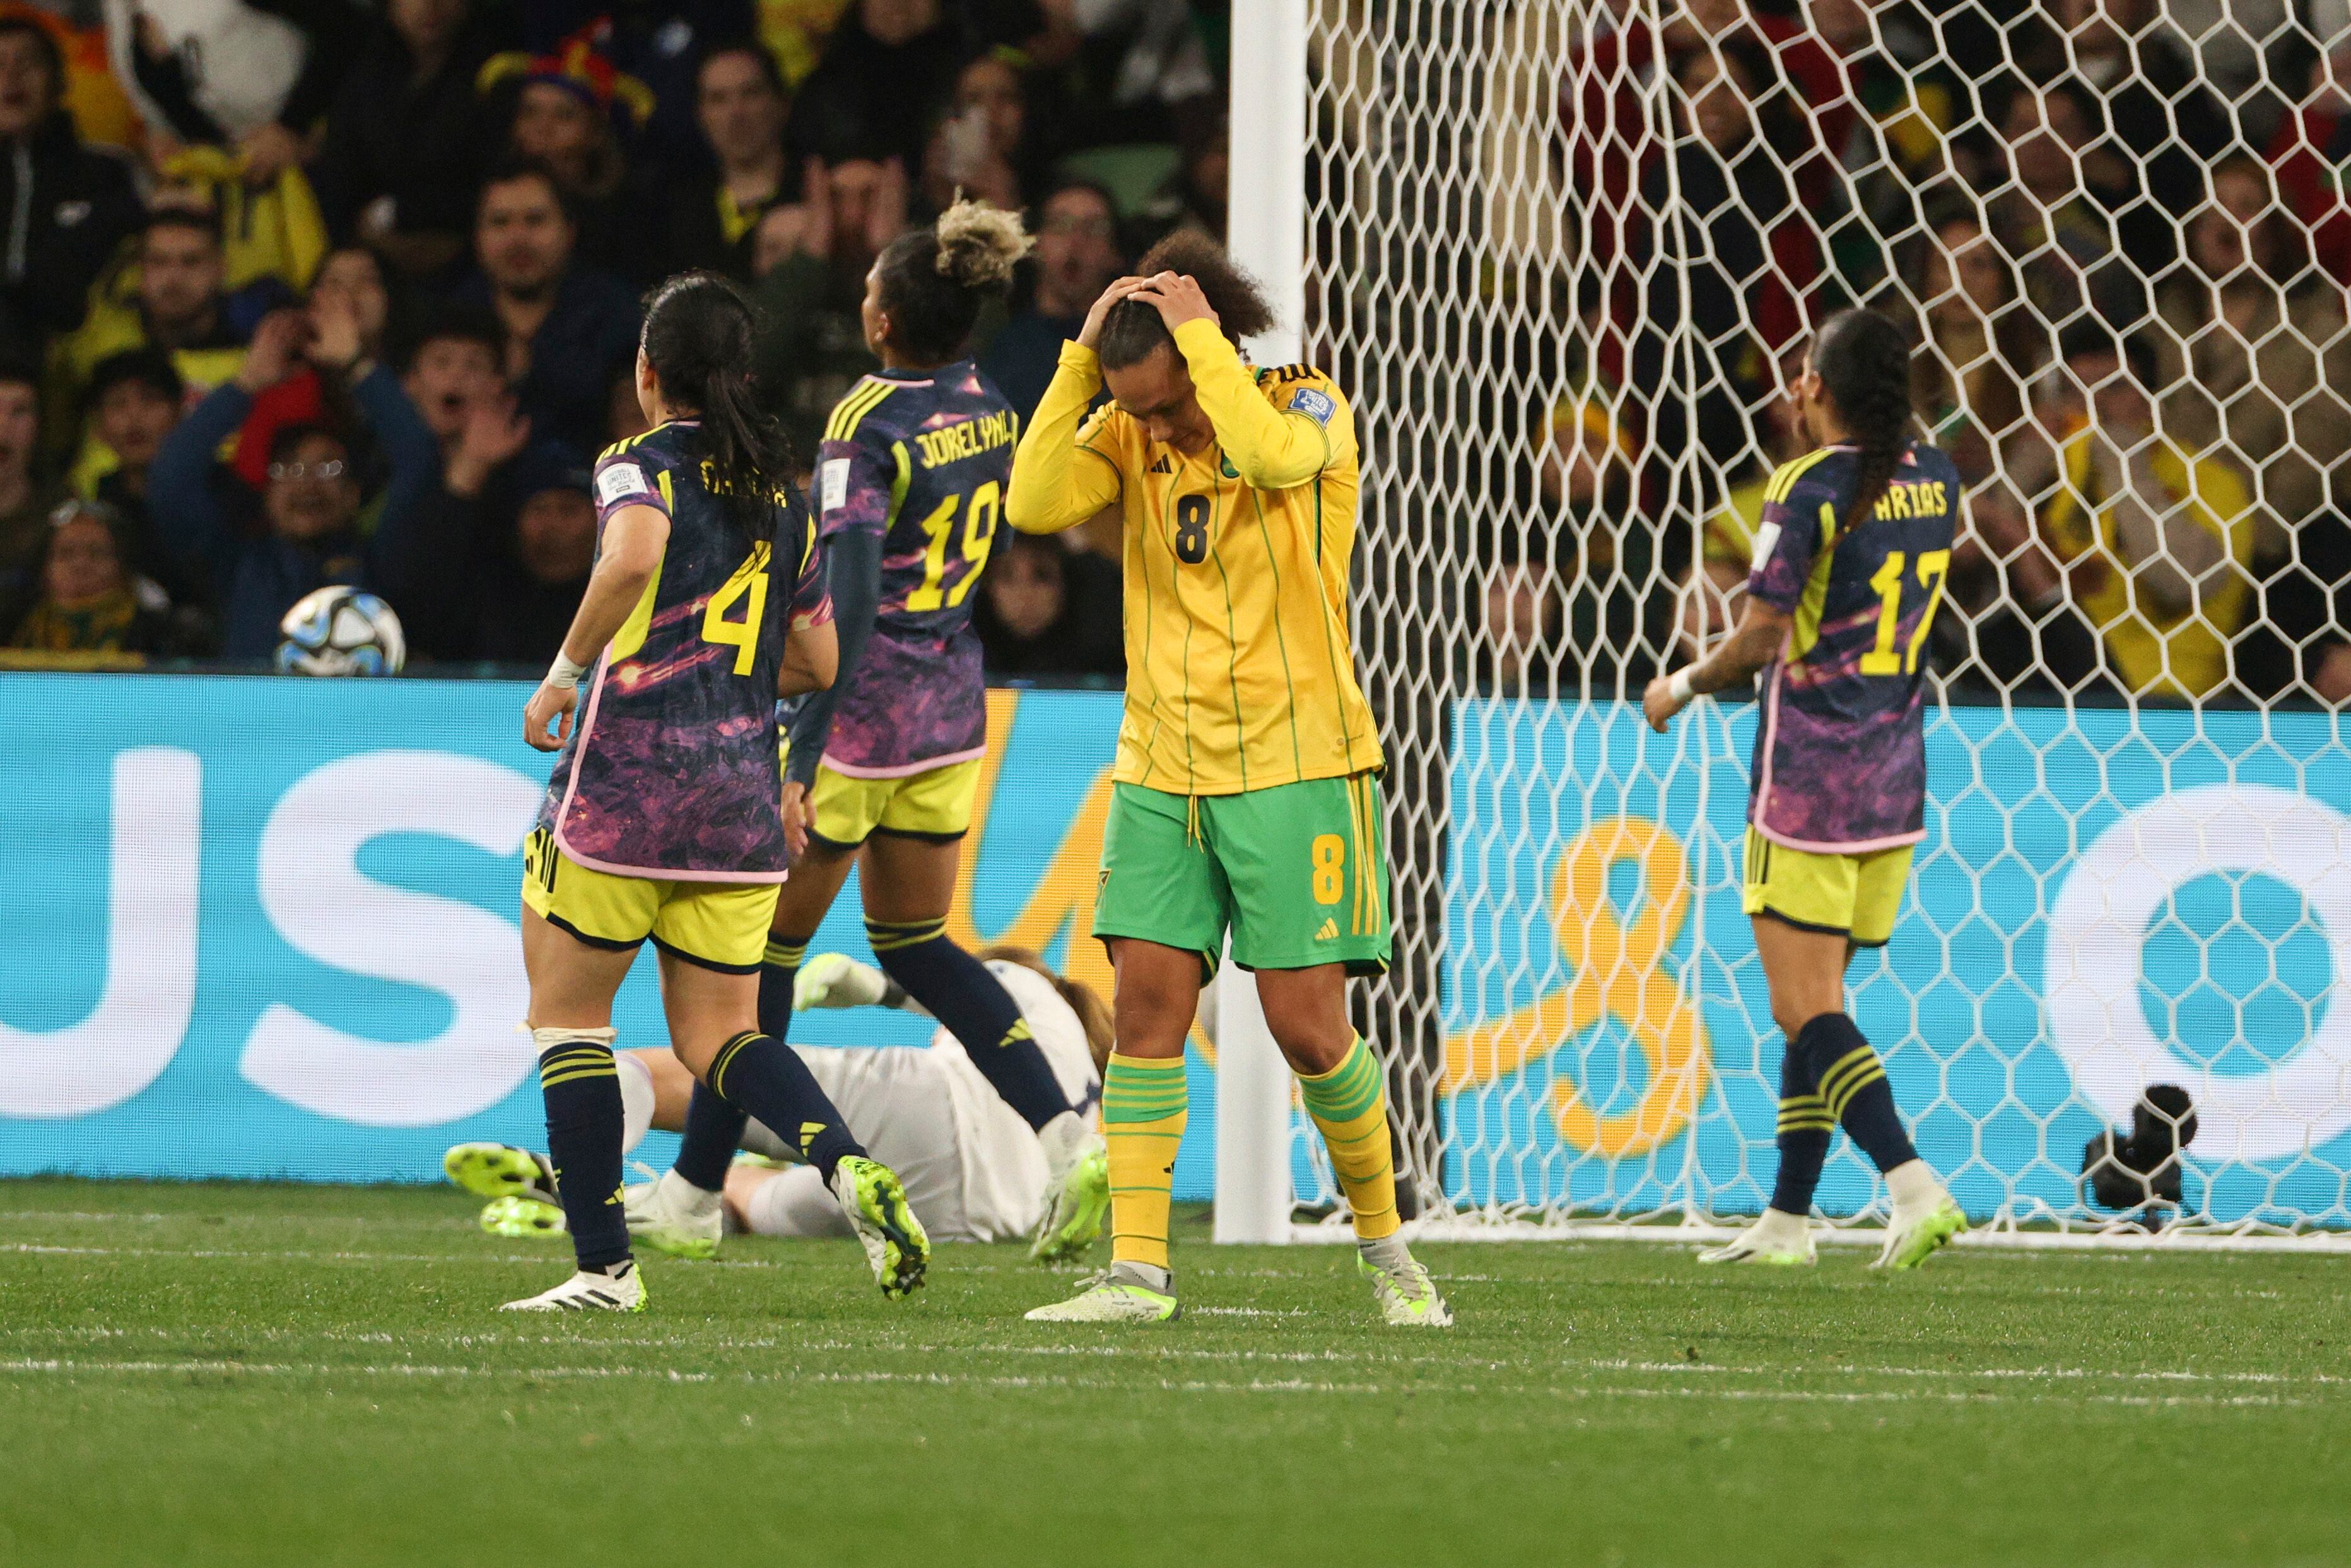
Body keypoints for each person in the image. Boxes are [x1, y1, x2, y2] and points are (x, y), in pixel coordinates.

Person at [632, 200, 1111, 1268]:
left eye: (866, 298)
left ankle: (694, 1191)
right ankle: (1068, 1132)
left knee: (761, 953)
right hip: (952, 704)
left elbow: (845, 601)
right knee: (916, 943)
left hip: (865, 717)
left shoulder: (865, 421)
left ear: (888, 320)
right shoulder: (986, 399)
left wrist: (801, 744)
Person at [1005, 234, 1449, 1328]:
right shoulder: (1124, 428)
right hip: (1164, 766)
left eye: (1163, 405)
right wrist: (1079, 366)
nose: (1152, 429)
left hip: (1298, 767)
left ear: (1207, 354)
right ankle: (1139, 1275)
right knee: (1147, 1007)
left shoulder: (1305, 407)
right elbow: (1030, 502)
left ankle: (1387, 1249)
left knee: (1306, 1027)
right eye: (1134, 410)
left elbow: (1270, 460)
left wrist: (1202, 349)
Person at [502, 269, 927, 1312]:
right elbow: (820, 659)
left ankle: (603, 1268)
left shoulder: (636, 466)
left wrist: (565, 671)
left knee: (570, 1022)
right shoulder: (782, 497)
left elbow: (637, 548)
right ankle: (843, 1159)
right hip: (738, 806)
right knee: (722, 1037)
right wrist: (723, 674)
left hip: (620, 798)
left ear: (649, 374)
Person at [1641, 307, 1967, 1272]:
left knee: (1801, 1008)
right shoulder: (1938, 477)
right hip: (1893, 776)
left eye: (1800, 369)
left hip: (1806, 783)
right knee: (1815, 997)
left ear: (1815, 388)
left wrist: (1679, 684)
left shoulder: (1808, 487)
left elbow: (1756, 640)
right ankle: (1787, 1221)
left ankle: (1910, 1185)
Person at [445, 945, 1108, 1248]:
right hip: (977, 1221)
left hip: (942, 1107)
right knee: (741, 1197)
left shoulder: (1025, 984)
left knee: (675, 1071)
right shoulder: (1088, 1090)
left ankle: (586, 1189)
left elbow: (954, 991)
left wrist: (870, 986)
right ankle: (617, 1208)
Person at [145, 305, 439, 658]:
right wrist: (247, 383)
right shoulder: (236, 565)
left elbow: (419, 462)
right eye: (289, 470)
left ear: (353, 494)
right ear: (266, 494)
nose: (307, 485)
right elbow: (171, 480)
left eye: (327, 469)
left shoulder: (386, 562)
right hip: (252, 714)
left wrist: (356, 366)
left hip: (363, 713)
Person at [455, 162, 642, 452]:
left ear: (569, 231)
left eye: (535, 221)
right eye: (500, 222)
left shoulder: (622, 318)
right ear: (477, 236)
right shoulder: (451, 318)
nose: (517, 239)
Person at [310, 0, 501, 284]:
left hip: (475, 262)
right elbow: (339, 179)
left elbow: (492, 180)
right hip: (373, 262)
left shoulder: (493, 78)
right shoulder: (363, 76)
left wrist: (402, 216)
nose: (429, 7)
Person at [0, 17, 143, 345]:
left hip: (83, 360)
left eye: (28, 61)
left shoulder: (109, 171)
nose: (11, 76)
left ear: (58, 81)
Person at [978, 178, 1123, 424]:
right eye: (1061, 226)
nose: (1076, 241)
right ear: (1036, 244)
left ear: (1114, 253)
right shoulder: (999, 348)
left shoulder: (1130, 351)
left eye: (1094, 228)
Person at [666, 43, 797, 283]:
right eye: (718, 99)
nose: (736, 113)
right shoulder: (676, 212)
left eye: (750, 93)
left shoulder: (816, 194)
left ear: (782, 104)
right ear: (701, 116)